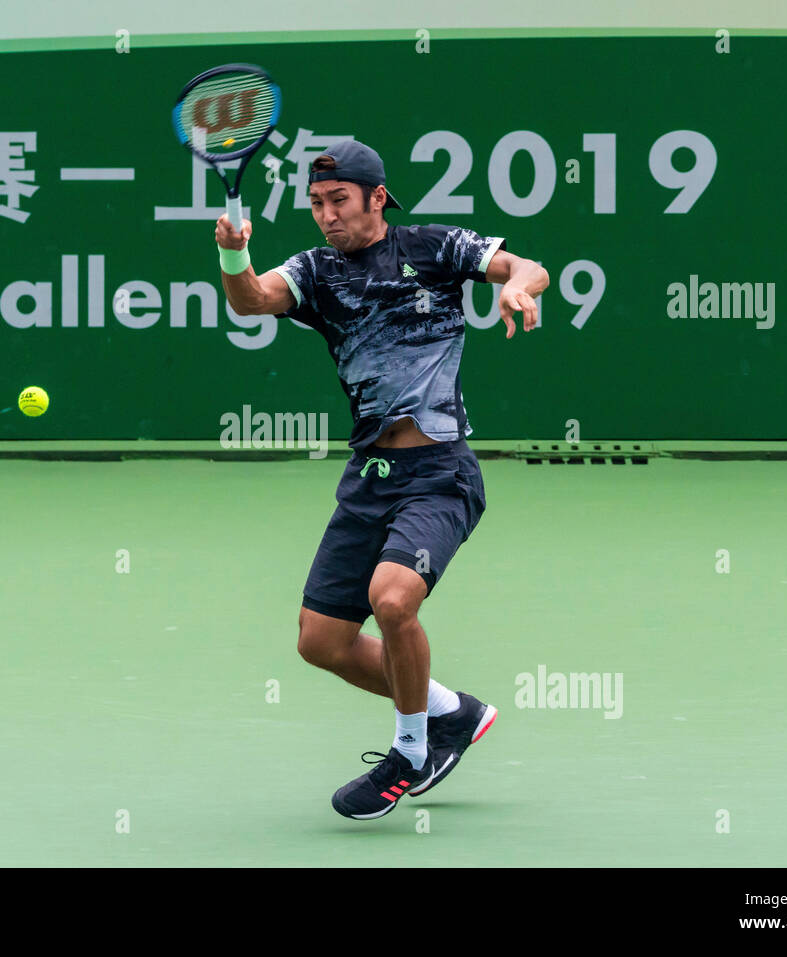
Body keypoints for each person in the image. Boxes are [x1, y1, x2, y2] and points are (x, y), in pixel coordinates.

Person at [216, 140, 549, 819]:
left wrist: (517, 285)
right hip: (368, 475)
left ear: (377, 197)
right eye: (315, 204)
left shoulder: (432, 247)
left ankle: (411, 749)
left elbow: (526, 264)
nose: (326, 215)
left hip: (439, 473)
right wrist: (233, 251)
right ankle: (453, 712)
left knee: (393, 600)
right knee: (321, 642)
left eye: (338, 201)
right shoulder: (315, 270)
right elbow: (251, 300)